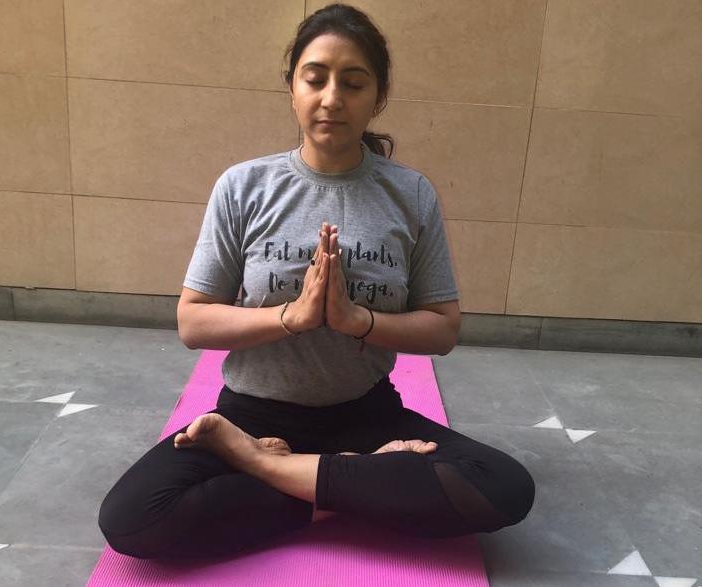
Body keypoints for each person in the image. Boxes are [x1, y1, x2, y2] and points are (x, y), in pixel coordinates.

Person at [97, 3, 535, 560]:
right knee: (132, 518)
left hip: (367, 416)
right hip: (252, 414)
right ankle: (348, 484)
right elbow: (193, 321)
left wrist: (357, 321)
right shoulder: (244, 187)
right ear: (292, 88)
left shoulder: (411, 194)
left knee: (503, 486)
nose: (332, 98)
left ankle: (266, 467)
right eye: (315, 78)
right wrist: (292, 317)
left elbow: (442, 329)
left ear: (377, 97)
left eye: (353, 83)